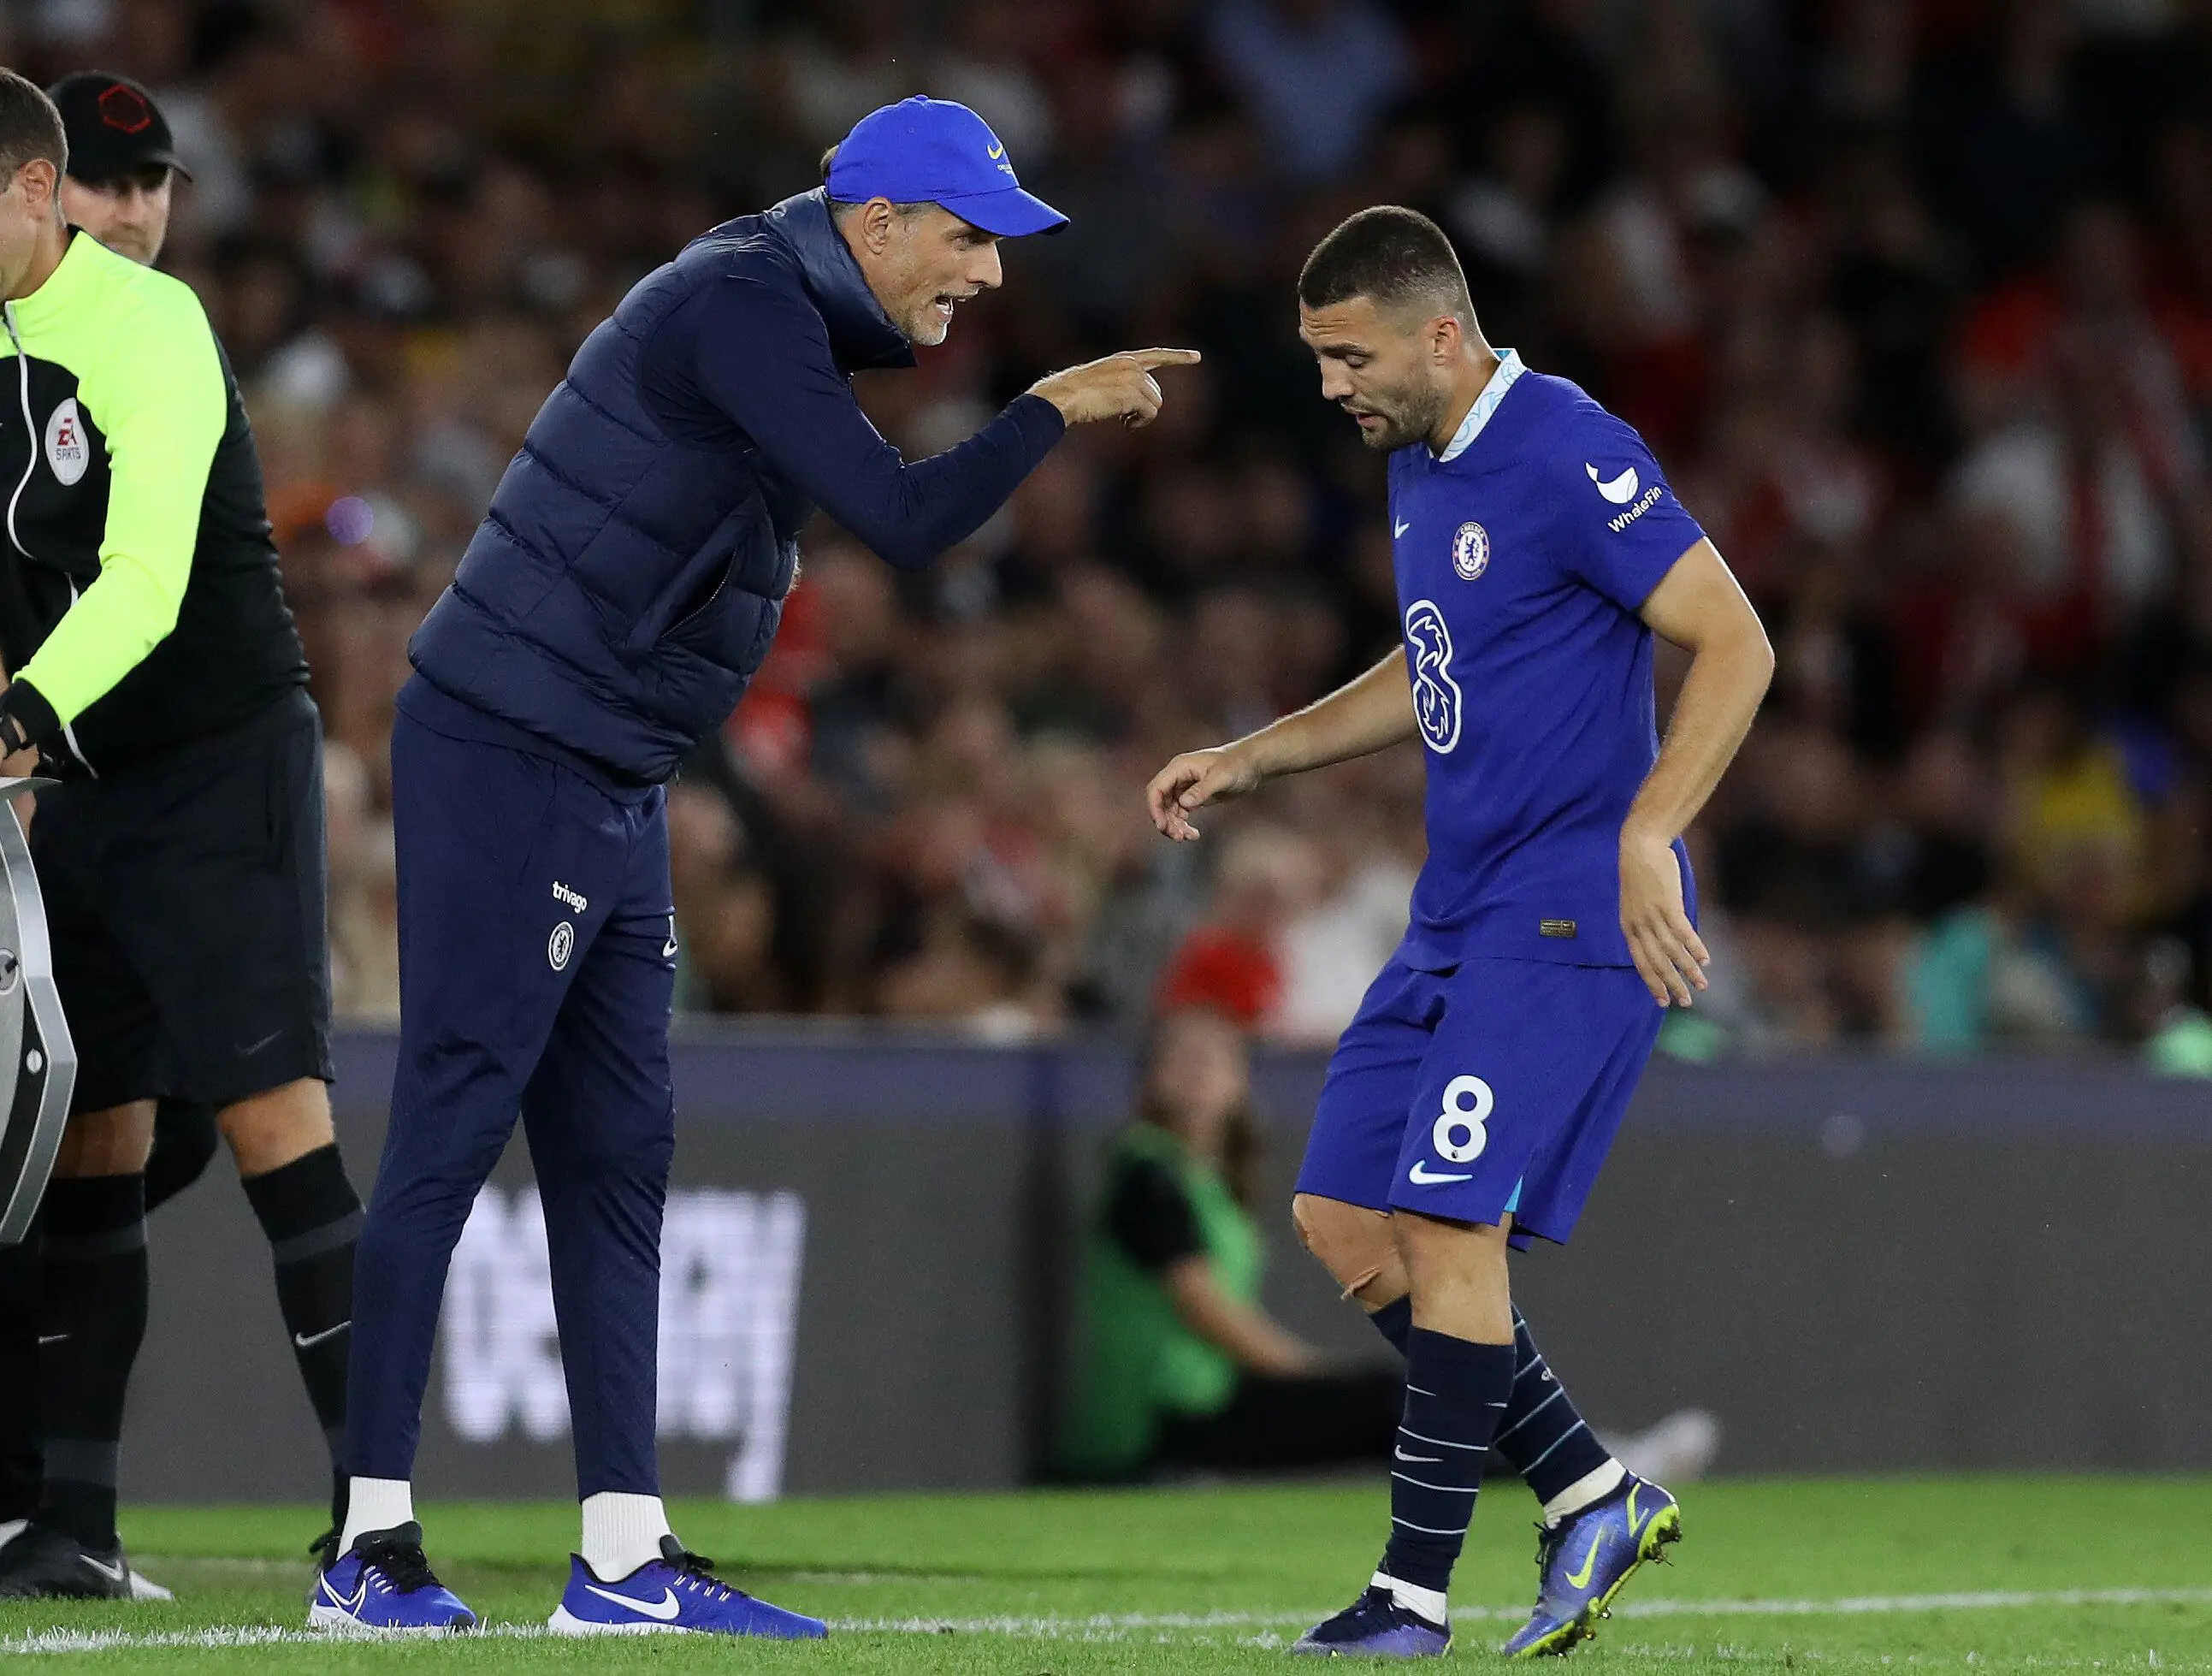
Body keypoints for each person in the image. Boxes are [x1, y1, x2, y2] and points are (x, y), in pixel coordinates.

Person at [318, 95, 1196, 1638]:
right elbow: (904, 518)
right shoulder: (740, 301)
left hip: (612, 771)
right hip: (511, 747)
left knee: (620, 1157)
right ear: (873, 221)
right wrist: (1052, 407)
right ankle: (366, 1544)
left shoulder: (776, 306)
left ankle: (622, 1552)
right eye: (970, 235)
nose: (988, 276)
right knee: (455, 1116)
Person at [1145, 206, 1773, 1659]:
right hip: (1458, 906)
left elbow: (1735, 635)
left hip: (1562, 909)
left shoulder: (1563, 445)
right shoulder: (1425, 466)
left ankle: (1409, 1599)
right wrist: (1259, 753)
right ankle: (1588, 1482)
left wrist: (1646, 833)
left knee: (1447, 1218)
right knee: (1341, 1212)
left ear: (1442, 334)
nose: (1327, 384)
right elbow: (1434, 662)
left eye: (1346, 353)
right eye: (1315, 357)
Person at [0, 69, 354, 1600]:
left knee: (277, 1122)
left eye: (157, 187)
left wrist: (19, 704)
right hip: (71, 778)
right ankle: (70, 1523)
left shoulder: (151, 330)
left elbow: (139, 580)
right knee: (92, 1138)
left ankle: (379, 1512)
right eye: (114, 181)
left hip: (210, 764)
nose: (137, 211)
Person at [1060, 1007, 1403, 1481]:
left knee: (1397, 1401)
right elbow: (1201, 1304)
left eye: (1215, 1059)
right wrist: (1303, 1372)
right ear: (1151, 1078)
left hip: (1209, 1394)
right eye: (1182, 1059)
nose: (1199, 1072)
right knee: (1391, 1402)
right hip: (1162, 1416)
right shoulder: (1147, 1173)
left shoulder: (1207, 1182)